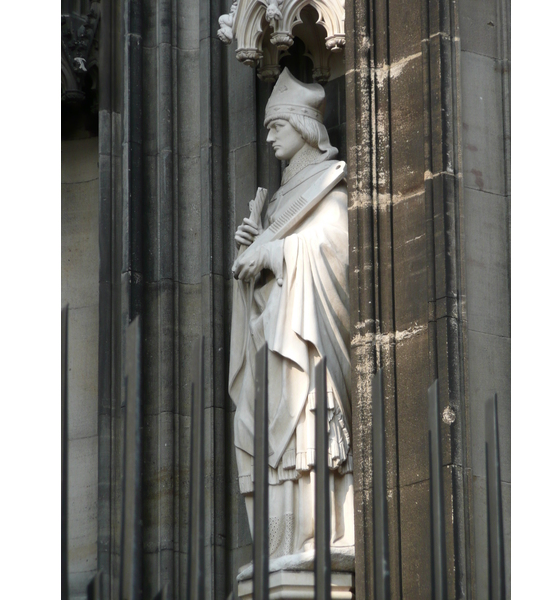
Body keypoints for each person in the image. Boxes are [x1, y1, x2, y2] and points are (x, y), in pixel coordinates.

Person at [229, 68, 354, 562]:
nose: (268, 136)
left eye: (276, 125)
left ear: (303, 126)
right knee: (266, 430)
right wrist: (252, 264)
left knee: (309, 422)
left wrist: (276, 254)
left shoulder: (328, 185)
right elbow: (264, 290)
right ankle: (282, 544)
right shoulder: (280, 202)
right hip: (274, 343)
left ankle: (317, 536)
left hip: (304, 342)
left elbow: (334, 246)